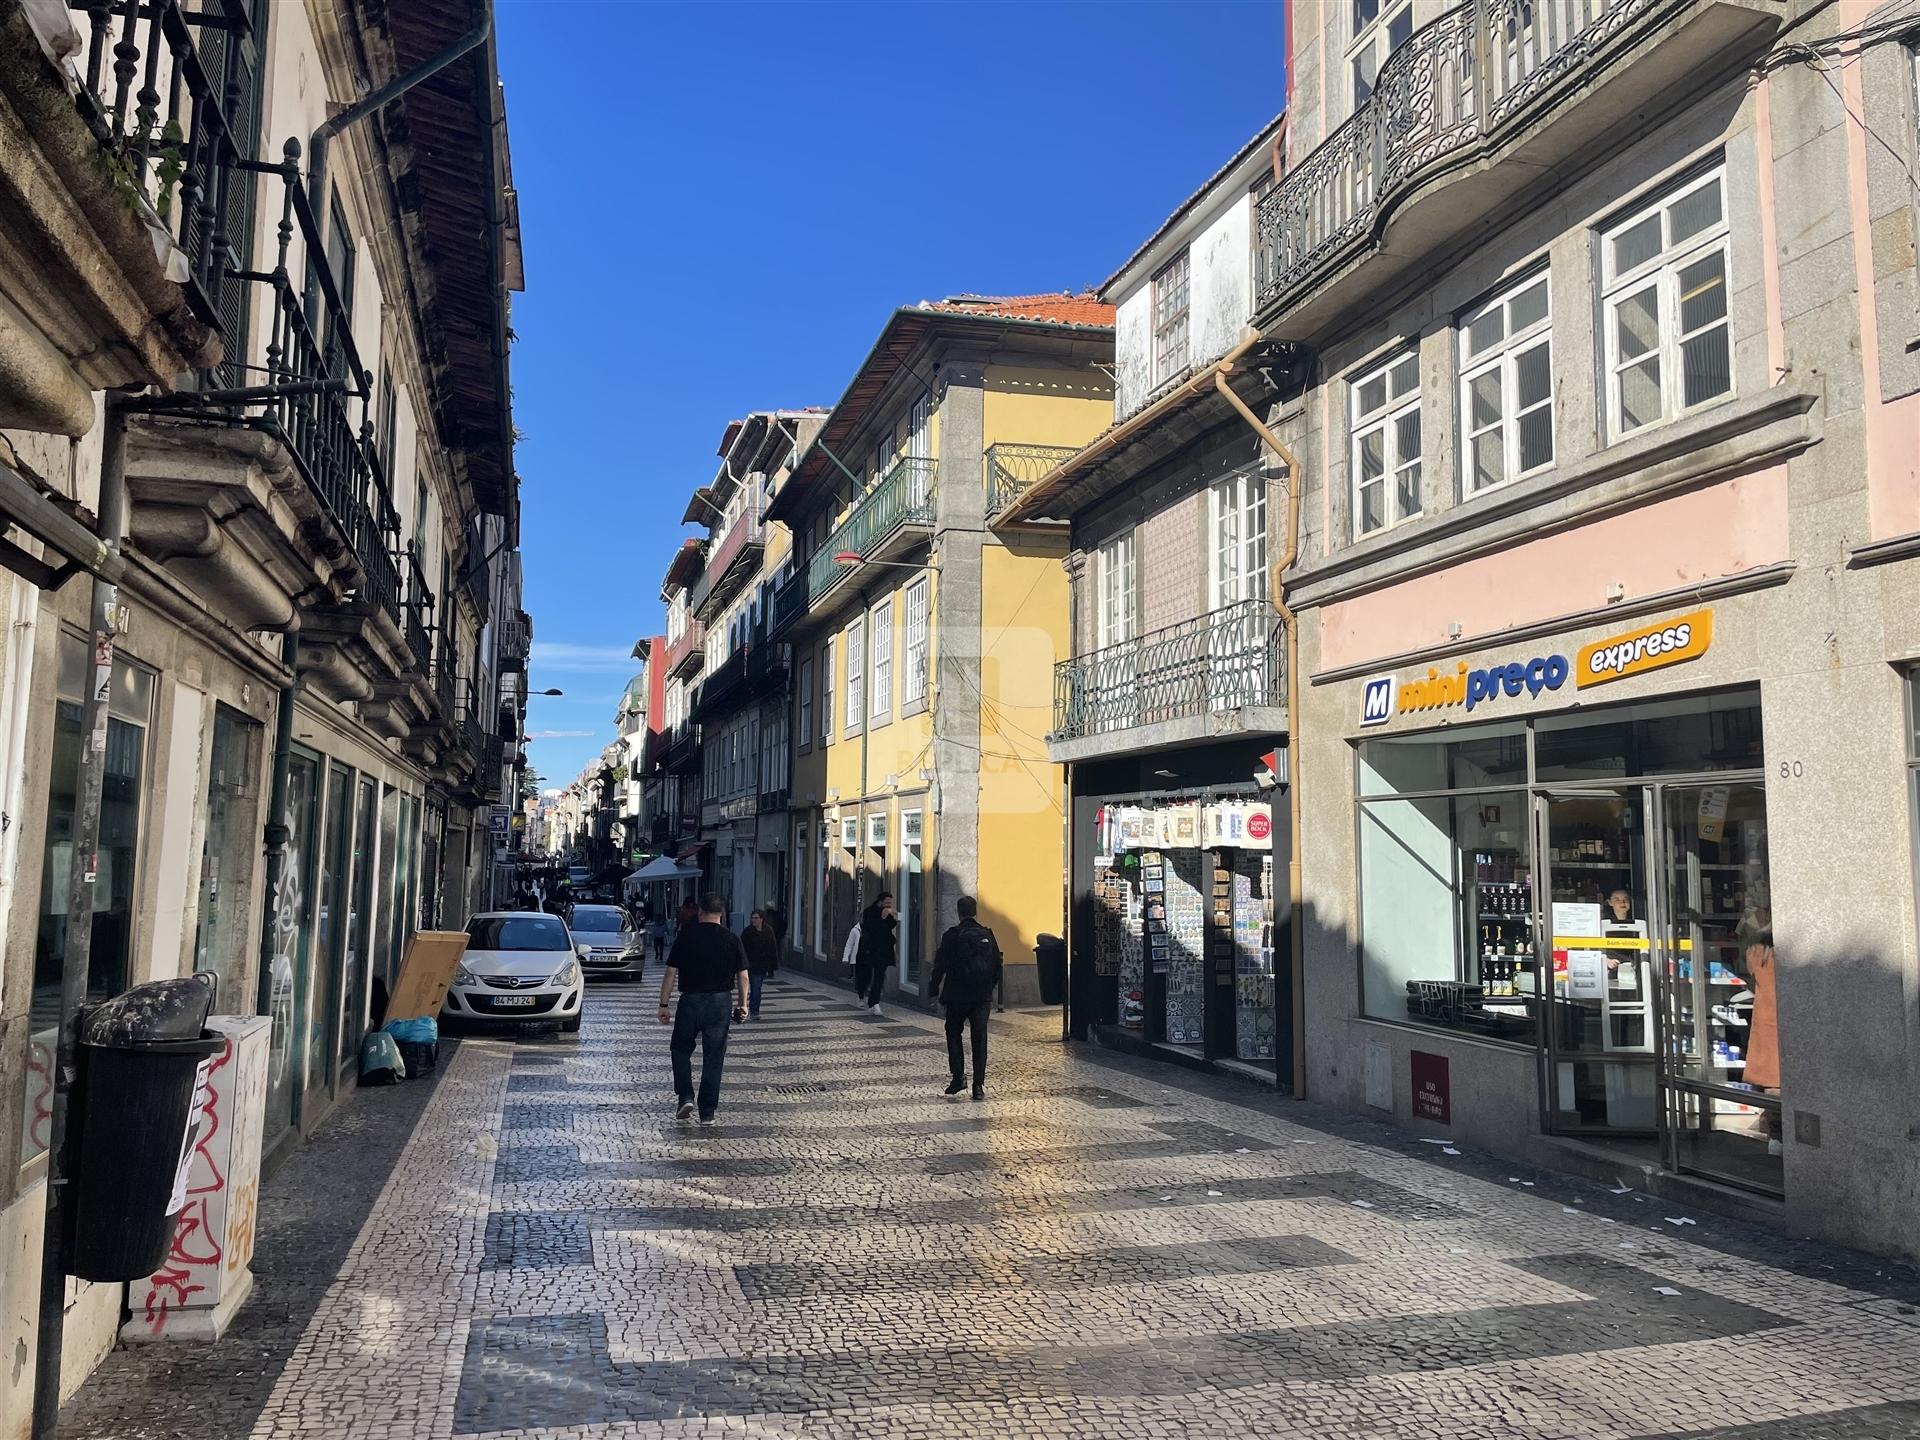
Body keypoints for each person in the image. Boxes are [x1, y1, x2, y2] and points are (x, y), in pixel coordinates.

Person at [657, 892, 750, 1125]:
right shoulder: (731, 939)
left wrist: (663, 1005)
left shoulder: (686, 936)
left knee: (680, 1049)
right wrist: (743, 1005)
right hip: (719, 1003)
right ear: (722, 914)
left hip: (690, 1001)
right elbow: (744, 976)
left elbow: (670, 972)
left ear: (700, 912)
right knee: (714, 1056)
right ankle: (707, 1112)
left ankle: (685, 1096)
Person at [930, 895, 1003, 1102]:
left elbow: (939, 965)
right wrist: (989, 988)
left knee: (953, 1033)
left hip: (956, 995)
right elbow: (998, 964)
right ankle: (978, 1086)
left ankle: (958, 1077)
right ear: (975, 911)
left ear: (958, 912)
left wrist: (933, 989)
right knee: (980, 1039)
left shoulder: (951, 935)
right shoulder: (987, 934)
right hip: (982, 997)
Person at [852, 892, 898, 1013]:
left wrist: (893, 918)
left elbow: (889, 928)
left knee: (879, 976)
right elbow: (871, 928)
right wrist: (882, 918)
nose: (889, 905)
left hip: (883, 950)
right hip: (869, 949)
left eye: (890, 903)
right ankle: (861, 994)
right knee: (865, 974)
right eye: (887, 902)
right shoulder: (869, 912)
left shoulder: (888, 912)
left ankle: (874, 1002)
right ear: (880, 901)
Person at [740, 908, 779, 1019]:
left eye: (756, 918)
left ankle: (754, 1010)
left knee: (757, 987)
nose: (753, 920)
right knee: (755, 987)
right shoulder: (747, 932)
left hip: (762, 965)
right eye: (752, 918)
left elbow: (773, 948)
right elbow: (742, 949)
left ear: (762, 919)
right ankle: (753, 1010)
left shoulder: (768, 931)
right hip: (750, 965)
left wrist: (773, 966)